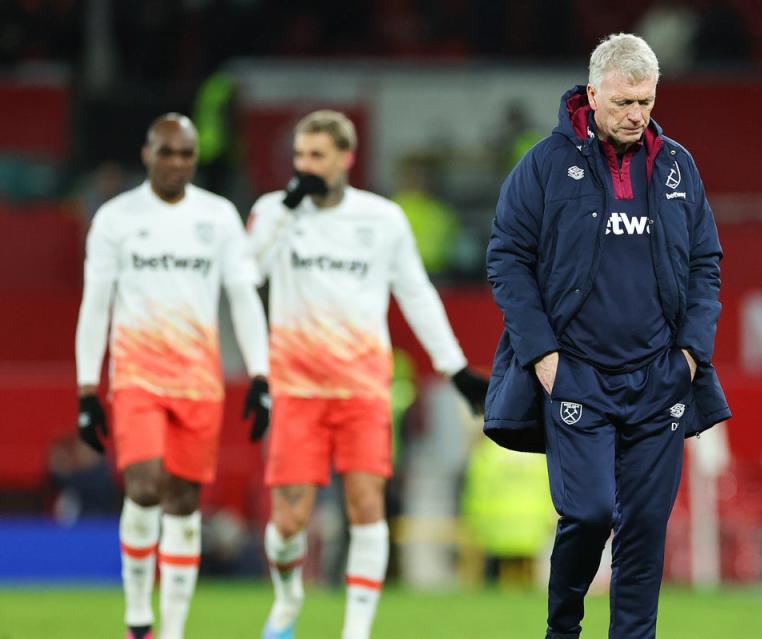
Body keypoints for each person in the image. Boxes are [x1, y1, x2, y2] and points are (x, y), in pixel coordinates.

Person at [484, 34, 731, 639]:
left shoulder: (677, 165)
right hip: (577, 376)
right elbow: (507, 258)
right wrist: (542, 355)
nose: (635, 114)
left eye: (645, 101)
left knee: (646, 527)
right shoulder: (543, 165)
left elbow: (706, 262)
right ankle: (563, 627)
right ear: (593, 93)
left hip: (660, 377)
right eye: (623, 101)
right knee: (590, 512)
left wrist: (692, 355)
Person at [247, 110, 488, 639]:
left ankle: (356, 631)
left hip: (363, 389)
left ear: (345, 158)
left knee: (365, 505)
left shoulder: (382, 219)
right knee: (288, 521)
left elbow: (417, 295)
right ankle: (287, 602)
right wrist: (285, 212)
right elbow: (246, 276)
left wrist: (455, 369)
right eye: (299, 157)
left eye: (317, 156)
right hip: (297, 389)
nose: (305, 167)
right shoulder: (273, 211)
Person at [74, 113, 271, 639]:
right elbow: (96, 305)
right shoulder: (116, 219)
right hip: (137, 373)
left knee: (184, 503)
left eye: (186, 154)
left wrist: (260, 374)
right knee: (143, 487)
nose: (177, 162)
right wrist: (87, 389)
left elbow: (243, 298)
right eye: (167, 152)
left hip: (198, 380)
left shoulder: (219, 216)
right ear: (147, 154)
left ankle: (174, 629)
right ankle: (138, 617)